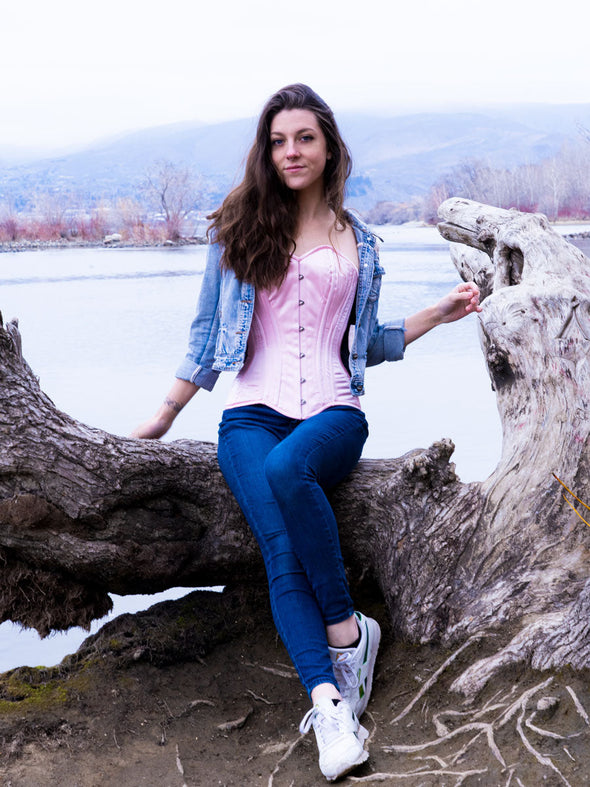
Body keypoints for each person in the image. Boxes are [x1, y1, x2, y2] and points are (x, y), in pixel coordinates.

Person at [132, 83, 481, 782]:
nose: (291, 151)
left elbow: (365, 343)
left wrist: (437, 315)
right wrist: (166, 414)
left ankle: (348, 630)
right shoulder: (238, 225)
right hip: (249, 415)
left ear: (329, 146)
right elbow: (207, 337)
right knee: (279, 545)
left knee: (289, 471)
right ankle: (331, 704)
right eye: (279, 140)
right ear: (268, 151)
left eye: (304, 138)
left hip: (334, 411)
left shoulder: (363, 242)